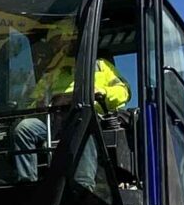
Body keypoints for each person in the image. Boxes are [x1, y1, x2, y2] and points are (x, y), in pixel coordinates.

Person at [10, 38, 128, 182]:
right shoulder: (53, 73)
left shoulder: (101, 66)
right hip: (54, 123)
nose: (63, 47)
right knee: (24, 128)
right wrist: (38, 104)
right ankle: (27, 182)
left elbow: (123, 92)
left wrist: (100, 93)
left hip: (88, 120)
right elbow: (34, 102)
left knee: (82, 121)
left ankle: (84, 184)